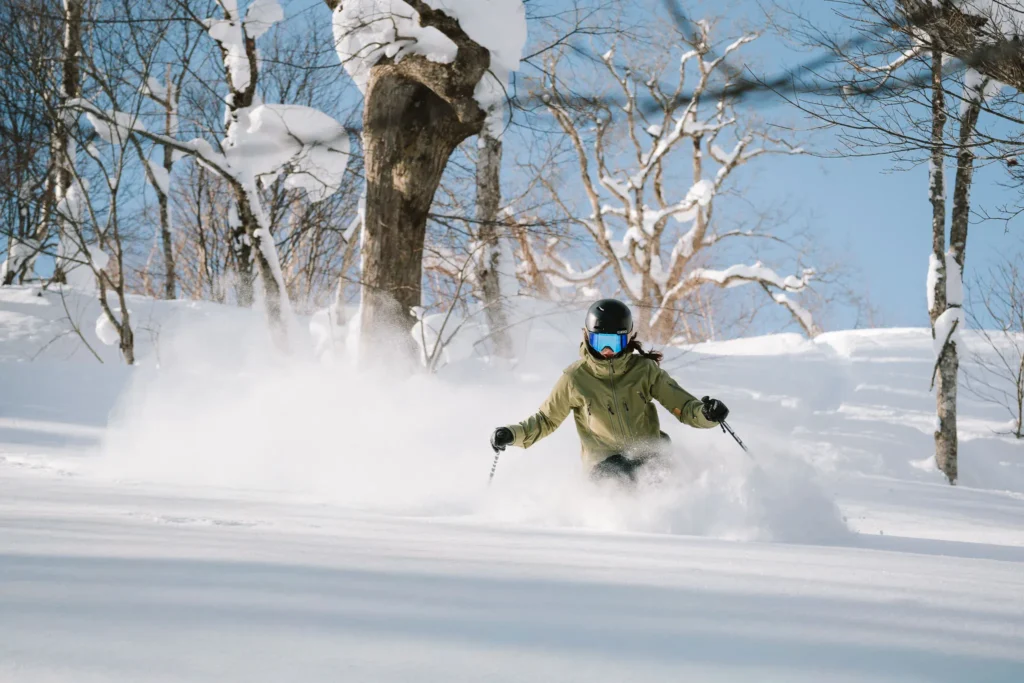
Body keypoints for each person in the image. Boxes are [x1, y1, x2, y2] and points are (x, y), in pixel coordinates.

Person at [490, 299, 730, 485]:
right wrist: (512, 434)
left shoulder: (644, 371)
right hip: (604, 464)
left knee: (660, 479)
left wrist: (706, 414)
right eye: (599, 341)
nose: (606, 350)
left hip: (649, 454)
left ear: (627, 339)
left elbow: (684, 407)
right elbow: (545, 420)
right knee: (618, 482)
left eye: (614, 343)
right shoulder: (575, 378)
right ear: (587, 336)